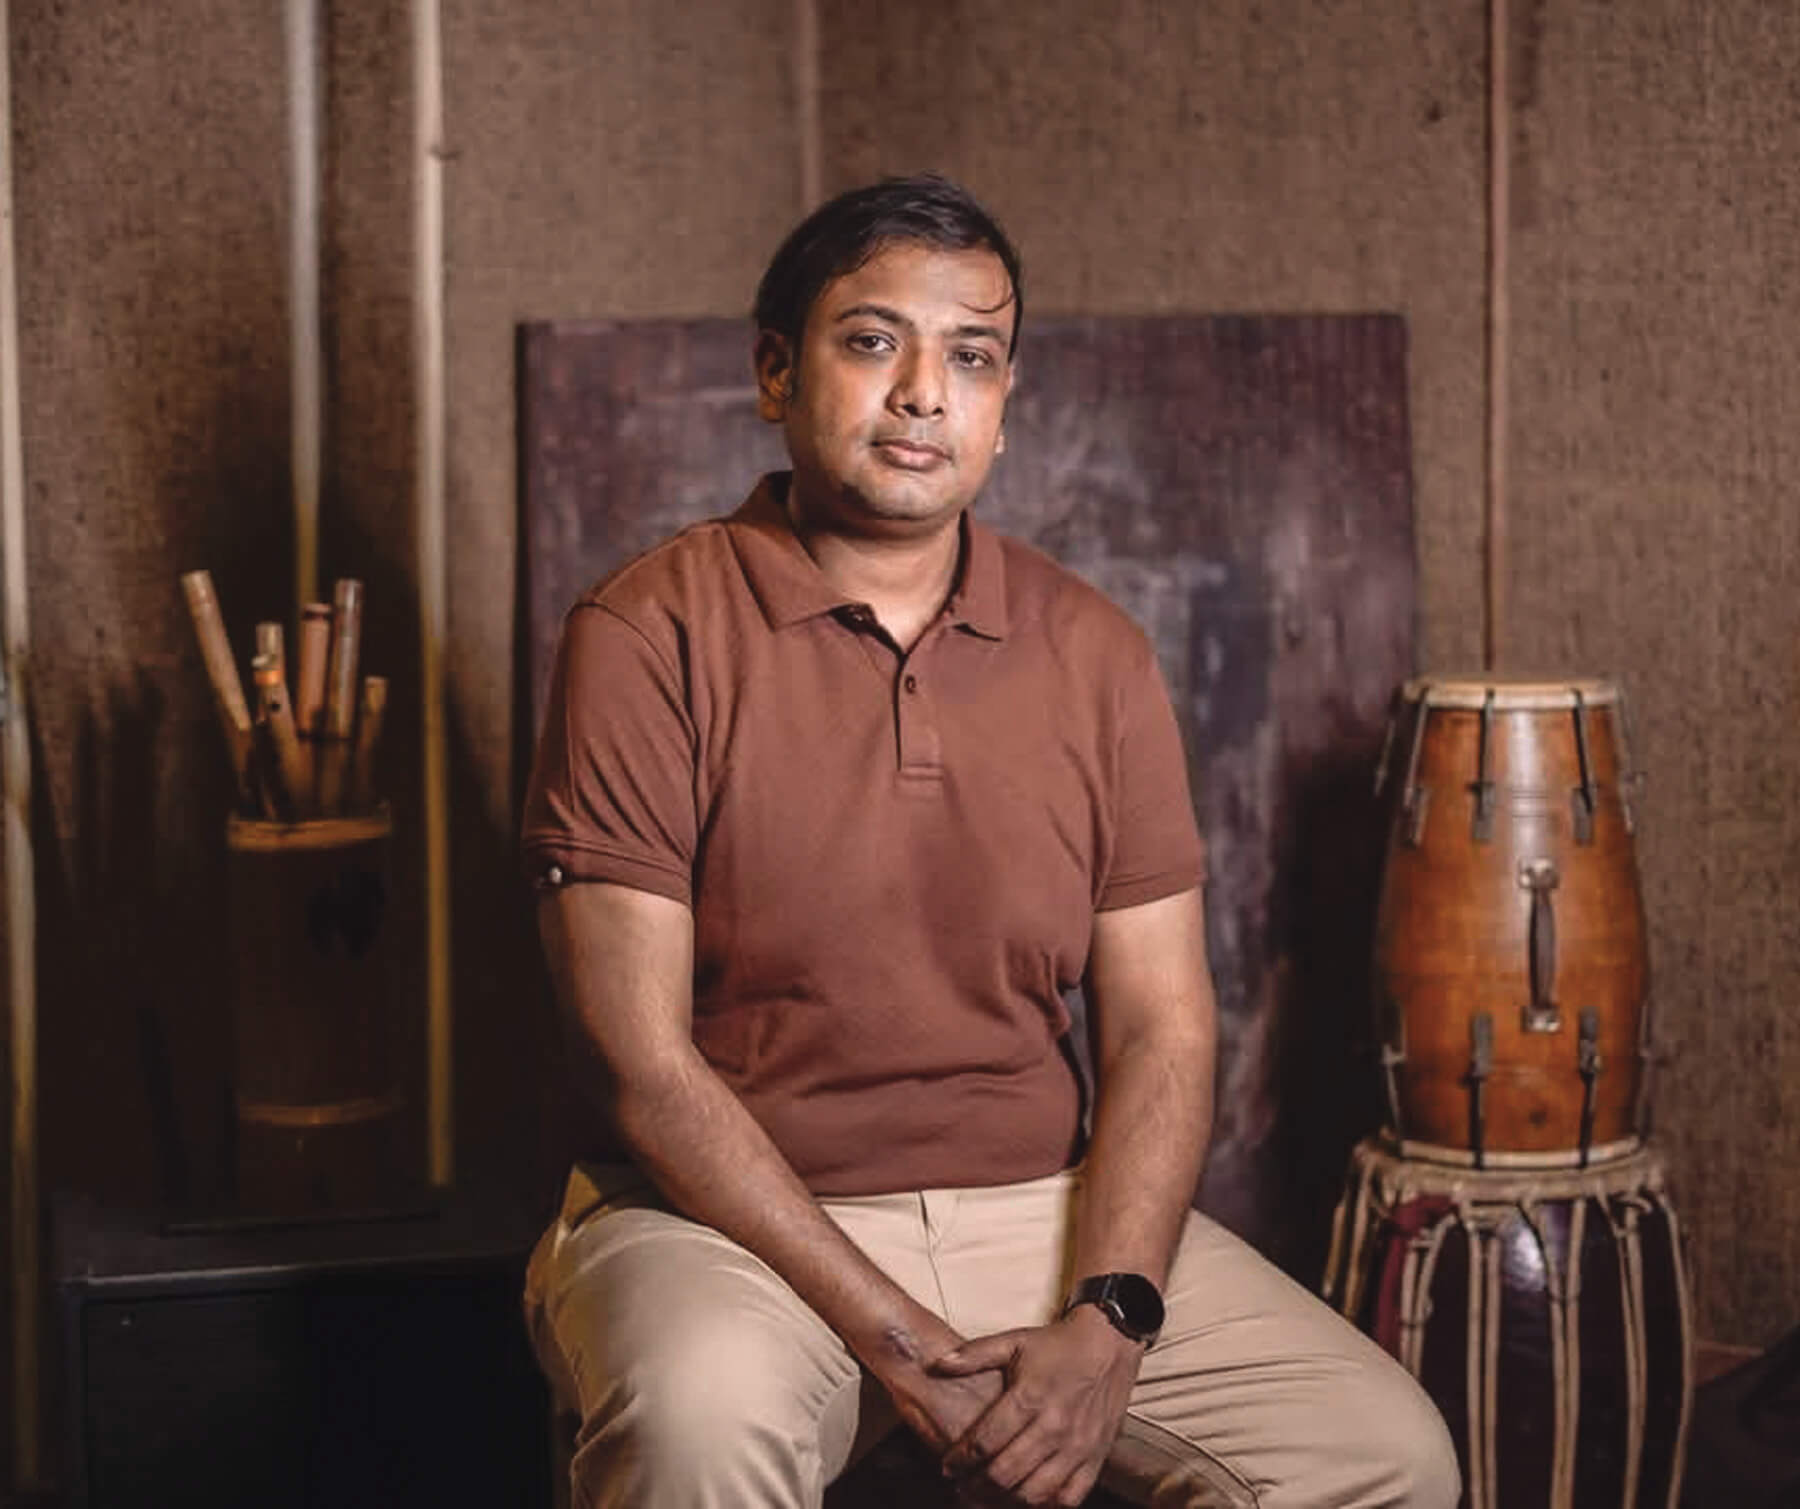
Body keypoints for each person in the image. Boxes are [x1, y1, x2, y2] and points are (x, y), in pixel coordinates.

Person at [520, 173, 1460, 1509]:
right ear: (776, 371)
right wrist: (895, 1337)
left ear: (1006, 405)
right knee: (697, 1429)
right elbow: (642, 1069)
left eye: (971, 356)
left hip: (1043, 1212)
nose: (924, 394)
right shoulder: (644, 633)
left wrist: (1112, 1313)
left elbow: (1164, 1030)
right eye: (873, 341)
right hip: (723, 1224)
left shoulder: (1095, 651)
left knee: (1383, 1455)